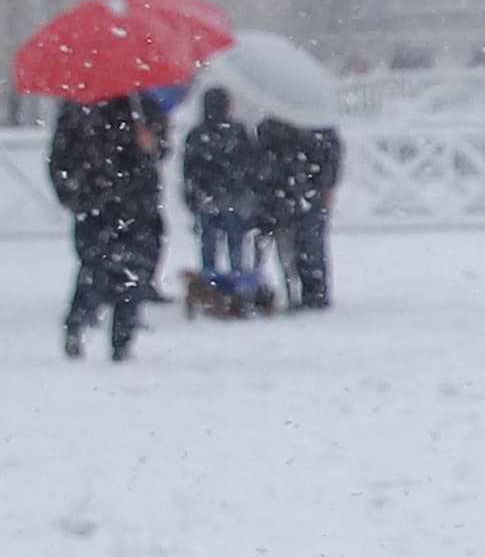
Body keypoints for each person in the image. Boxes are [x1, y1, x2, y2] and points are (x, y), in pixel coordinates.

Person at [48, 93, 163, 360]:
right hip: (98, 203)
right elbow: (61, 158)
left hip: (132, 203)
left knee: (128, 271)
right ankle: (79, 327)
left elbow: (158, 149)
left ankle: (119, 340)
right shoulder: (80, 109)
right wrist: (75, 192)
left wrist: (150, 144)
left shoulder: (140, 106)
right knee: (96, 267)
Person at [257, 117, 342, 313]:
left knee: (303, 244)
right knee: (303, 245)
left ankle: (308, 292)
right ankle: (307, 291)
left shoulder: (273, 125)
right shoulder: (317, 124)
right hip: (297, 192)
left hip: (294, 192)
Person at [182, 87, 261, 291]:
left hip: (207, 198)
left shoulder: (197, 134)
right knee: (235, 246)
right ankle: (237, 287)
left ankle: (210, 287)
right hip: (235, 198)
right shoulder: (238, 131)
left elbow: (189, 170)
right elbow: (252, 166)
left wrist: (193, 197)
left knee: (209, 247)